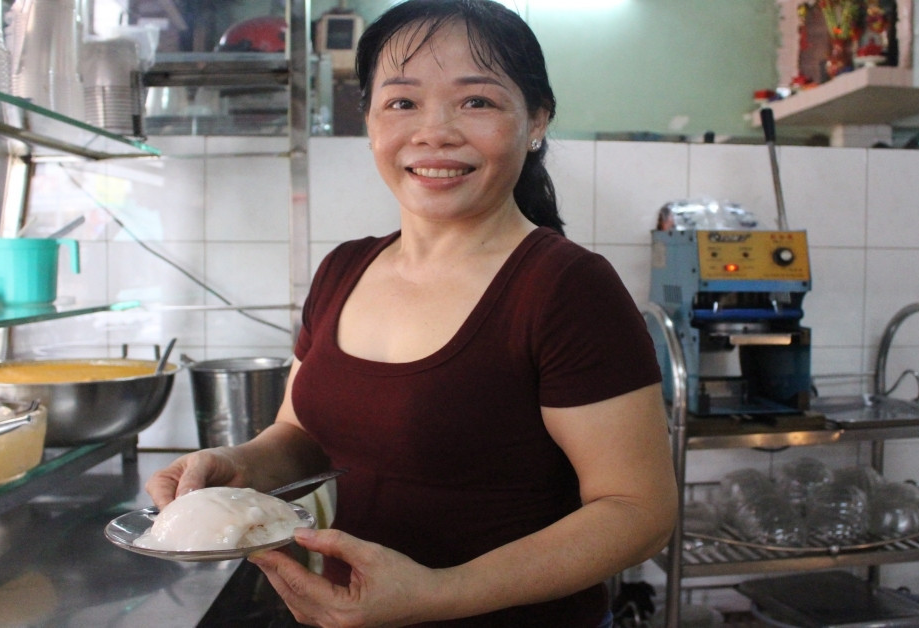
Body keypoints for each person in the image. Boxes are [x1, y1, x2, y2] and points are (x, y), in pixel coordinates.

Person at [145, 1, 677, 626]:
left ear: (536, 120)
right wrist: (238, 465)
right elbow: (303, 438)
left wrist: (440, 592)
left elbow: (638, 511)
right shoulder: (343, 271)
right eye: (402, 103)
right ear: (369, 120)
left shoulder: (566, 288)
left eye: (476, 102)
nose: (435, 132)